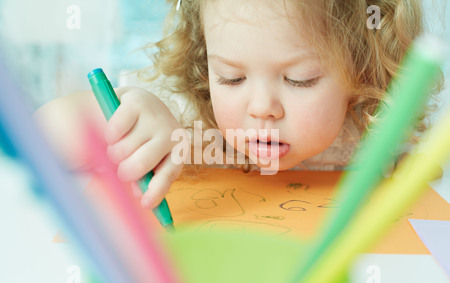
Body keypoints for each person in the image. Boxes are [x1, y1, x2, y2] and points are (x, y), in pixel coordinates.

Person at [34, 0, 442, 211]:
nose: (262, 108)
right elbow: (39, 136)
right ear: (203, 58)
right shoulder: (185, 112)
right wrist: (127, 110)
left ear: (362, 69)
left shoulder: (374, 130)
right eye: (232, 77)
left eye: (299, 79)